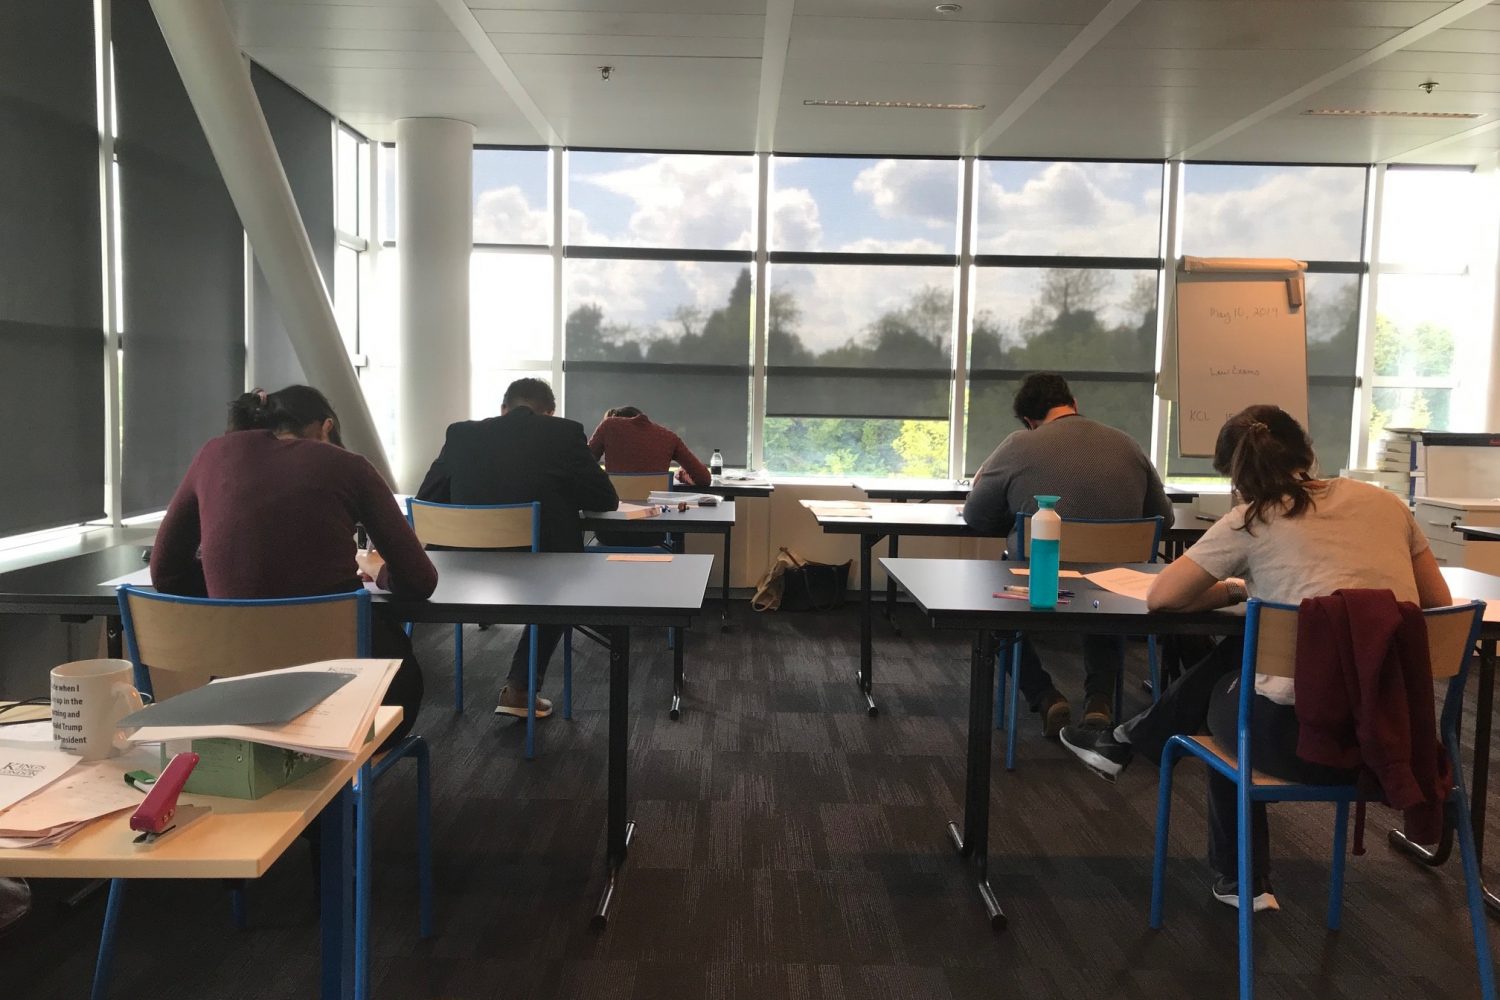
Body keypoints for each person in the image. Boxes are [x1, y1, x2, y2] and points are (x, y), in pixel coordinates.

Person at [1058, 404, 1451, 911]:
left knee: (1229, 702)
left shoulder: (1250, 519)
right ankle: (1126, 740)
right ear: (1308, 452)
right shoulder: (1388, 505)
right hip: (1399, 741)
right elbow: (1437, 604)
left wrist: (1233, 591)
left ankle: (1239, 877)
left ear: (1234, 476)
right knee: (1245, 652)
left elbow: (1162, 599)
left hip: (1299, 744)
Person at [151, 385, 437, 750]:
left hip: (238, 695)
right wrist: (377, 570)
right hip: (350, 698)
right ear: (326, 428)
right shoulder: (347, 465)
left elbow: (166, 574)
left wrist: (237, 595)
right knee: (393, 658)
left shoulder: (212, 455)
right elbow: (420, 580)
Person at [963, 372, 1174, 735]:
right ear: (1073, 403)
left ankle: (1044, 695)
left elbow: (976, 516)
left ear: (1030, 421)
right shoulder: (1127, 444)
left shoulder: (1018, 445)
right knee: (1100, 593)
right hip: (1118, 588)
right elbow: (1164, 518)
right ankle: (1100, 700)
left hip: (1038, 583)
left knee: (989, 604)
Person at [416, 378, 617, 718]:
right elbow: (605, 500)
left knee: (558, 576)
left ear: (503, 408)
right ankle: (520, 688)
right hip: (538, 574)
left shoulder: (460, 434)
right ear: (549, 413)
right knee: (563, 586)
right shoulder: (564, 433)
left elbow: (427, 501)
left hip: (459, 572)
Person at [588, 406, 712, 487]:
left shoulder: (609, 425)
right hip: (656, 521)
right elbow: (704, 479)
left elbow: (582, 464)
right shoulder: (669, 437)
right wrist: (682, 475)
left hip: (613, 518)